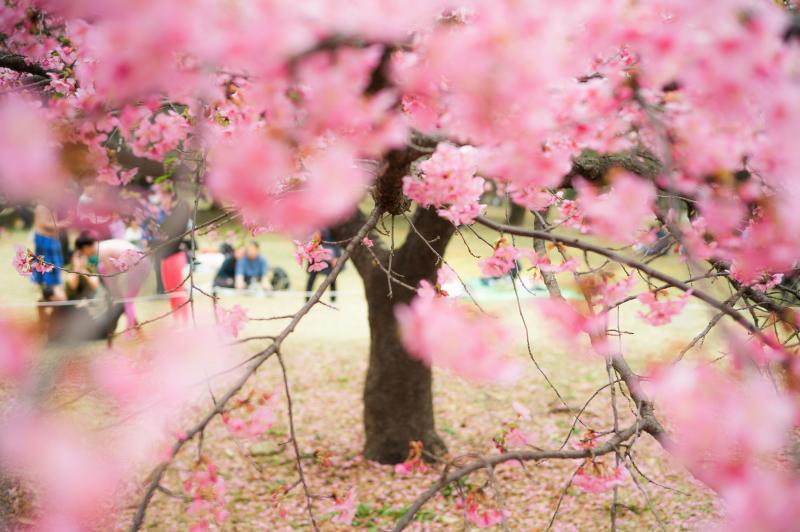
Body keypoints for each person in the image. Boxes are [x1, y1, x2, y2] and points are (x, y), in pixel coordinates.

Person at [31, 204, 70, 301]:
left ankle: (50, 288)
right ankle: (48, 289)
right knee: (47, 264)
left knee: (53, 264)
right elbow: (43, 223)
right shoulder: (42, 207)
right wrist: (63, 224)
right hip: (45, 239)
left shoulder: (51, 206)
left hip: (51, 239)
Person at [304, 229, 342, 303]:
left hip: (328, 259)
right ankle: (307, 299)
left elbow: (335, 244)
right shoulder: (313, 230)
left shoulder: (330, 231)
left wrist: (336, 256)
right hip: (315, 259)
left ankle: (333, 299)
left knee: (332, 278)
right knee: (311, 278)